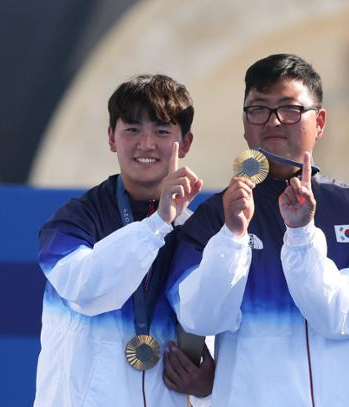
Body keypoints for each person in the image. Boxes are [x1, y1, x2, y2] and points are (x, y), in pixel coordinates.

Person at [166, 53, 349, 406]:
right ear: (245, 125)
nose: (274, 122)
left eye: (290, 109)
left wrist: (302, 232)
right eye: (259, 110)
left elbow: (347, 317)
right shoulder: (215, 216)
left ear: (319, 122)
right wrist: (231, 237)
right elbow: (198, 318)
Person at [34, 74, 214, 406]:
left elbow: (207, 319)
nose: (146, 144)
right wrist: (158, 224)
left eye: (161, 131)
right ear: (111, 138)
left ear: (185, 143)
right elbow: (85, 292)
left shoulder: (198, 235)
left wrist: (210, 384)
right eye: (132, 129)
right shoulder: (73, 221)